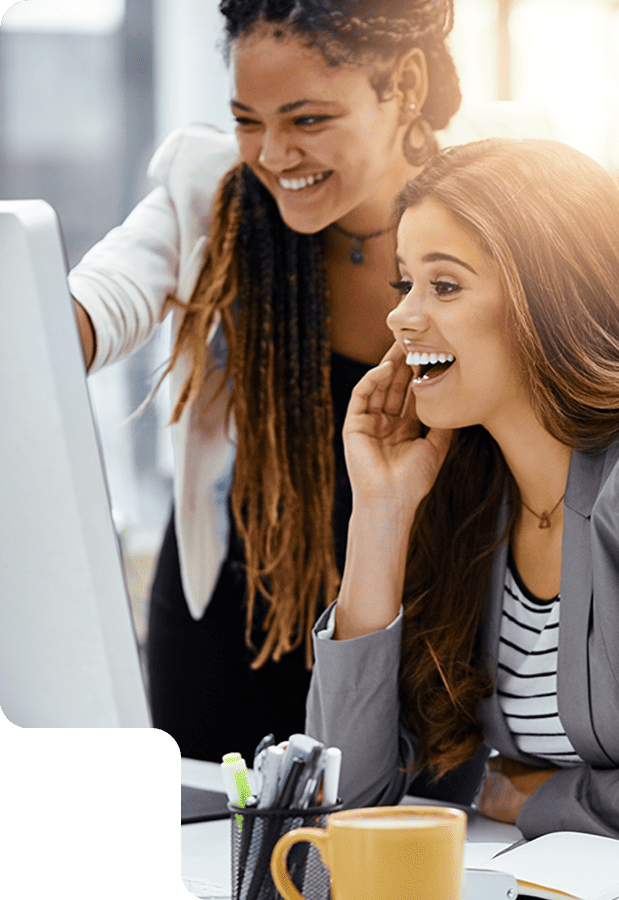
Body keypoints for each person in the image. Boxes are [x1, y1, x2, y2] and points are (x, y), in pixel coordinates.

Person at [306, 137, 619, 863]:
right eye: (403, 284)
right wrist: (379, 512)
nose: (401, 319)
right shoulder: (473, 493)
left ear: (549, 298)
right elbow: (344, 803)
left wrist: (540, 799)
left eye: (444, 286)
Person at [68, 0, 480, 774]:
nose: (273, 153)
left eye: (309, 119)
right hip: (237, 621)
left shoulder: (493, 203)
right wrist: (41, 328)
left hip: (426, 625)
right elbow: (95, 302)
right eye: (247, 120)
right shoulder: (212, 193)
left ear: (407, 83)